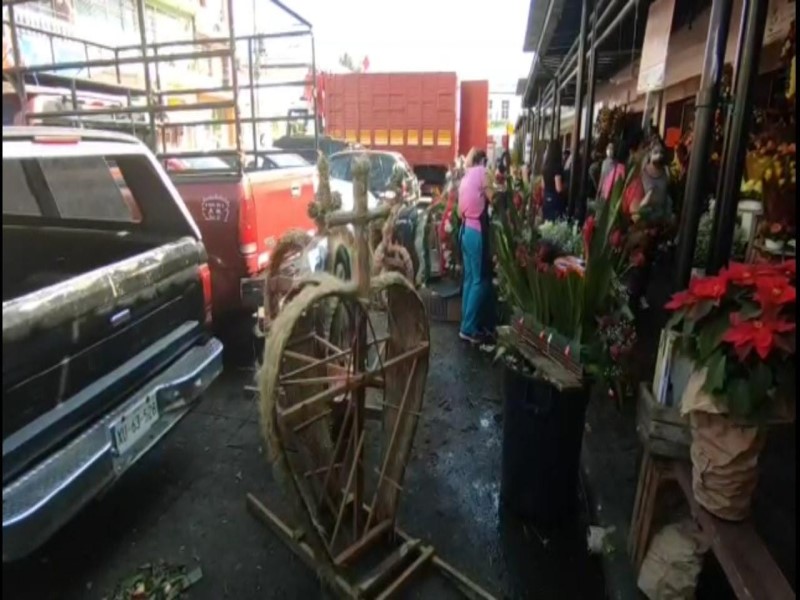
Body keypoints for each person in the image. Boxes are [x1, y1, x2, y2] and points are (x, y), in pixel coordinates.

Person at [458, 148, 492, 343]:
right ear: (483, 161)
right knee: (480, 281)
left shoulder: (466, 176)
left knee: (470, 279)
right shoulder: (482, 172)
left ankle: (466, 323)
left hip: (464, 230)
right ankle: (469, 327)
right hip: (476, 230)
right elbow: (492, 196)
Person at [541, 140, 566, 221]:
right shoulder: (557, 167)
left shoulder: (545, 167)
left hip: (546, 197)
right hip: (555, 199)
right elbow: (558, 188)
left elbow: (543, 185)